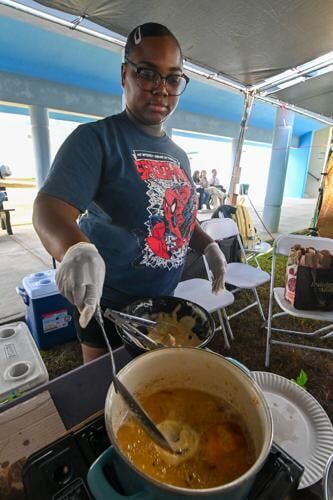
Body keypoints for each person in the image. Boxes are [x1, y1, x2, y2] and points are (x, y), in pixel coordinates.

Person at [33, 23, 227, 363]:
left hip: (165, 303)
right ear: (125, 74)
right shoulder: (96, 140)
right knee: (107, 391)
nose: (161, 89)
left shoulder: (179, 155)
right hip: (107, 305)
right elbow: (49, 207)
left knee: (155, 387)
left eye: (172, 78)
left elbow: (177, 220)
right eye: (147, 73)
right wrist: (75, 248)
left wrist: (208, 246)